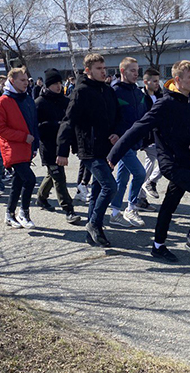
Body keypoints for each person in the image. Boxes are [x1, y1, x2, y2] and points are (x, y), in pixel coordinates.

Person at [108, 60, 190, 261]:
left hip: (186, 162)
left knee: (169, 205)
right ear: (177, 80)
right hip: (171, 163)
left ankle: (158, 246)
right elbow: (139, 127)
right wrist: (115, 153)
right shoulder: (165, 104)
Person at [57, 53, 121, 248]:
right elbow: (68, 121)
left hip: (106, 148)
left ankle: (93, 231)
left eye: (104, 68)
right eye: (99, 69)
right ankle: (94, 223)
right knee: (110, 186)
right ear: (88, 71)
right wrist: (62, 151)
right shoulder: (81, 91)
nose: (104, 72)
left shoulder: (108, 91)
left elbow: (118, 116)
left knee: (98, 189)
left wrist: (117, 133)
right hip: (88, 149)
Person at [109, 57, 151, 228]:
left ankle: (114, 212)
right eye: (132, 70)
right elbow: (109, 116)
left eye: (137, 70)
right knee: (140, 173)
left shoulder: (138, 92)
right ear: (122, 71)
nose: (136, 74)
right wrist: (113, 133)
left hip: (135, 143)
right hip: (121, 143)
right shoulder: (114, 91)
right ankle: (131, 207)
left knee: (123, 178)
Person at [0, 67, 40, 229]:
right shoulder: (3, 101)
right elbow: (0, 128)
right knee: (30, 179)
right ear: (12, 81)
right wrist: (23, 137)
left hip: (27, 148)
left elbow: (33, 123)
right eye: (22, 80)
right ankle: (24, 212)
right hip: (12, 149)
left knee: (17, 182)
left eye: (27, 80)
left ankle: (9, 213)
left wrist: (34, 145)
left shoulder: (27, 98)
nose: (26, 83)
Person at [35, 69, 80, 224]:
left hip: (61, 146)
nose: (58, 86)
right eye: (54, 84)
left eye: (60, 83)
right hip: (47, 145)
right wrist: (54, 125)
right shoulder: (39, 102)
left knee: (52, 174)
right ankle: (68, 209)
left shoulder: (66, 101)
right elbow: (36, 127)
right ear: (47, 85)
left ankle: (41, 198)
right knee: (59, 177)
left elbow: (72, 124)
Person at [138, 68, 164, 203]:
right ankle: (150, 182)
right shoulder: (141, 96)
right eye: (154, 81)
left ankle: (140, 197)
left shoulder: (160, 96)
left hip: (157, 136)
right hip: (147, 137)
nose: (156, 84)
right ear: (145, 81)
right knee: (166, 159)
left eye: (158, 81)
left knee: (147, 166)